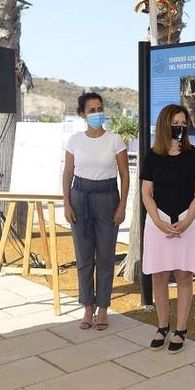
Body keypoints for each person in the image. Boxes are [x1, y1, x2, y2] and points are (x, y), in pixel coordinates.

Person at [140, 104, 195, 353]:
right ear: (164, 125)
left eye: (183, 123)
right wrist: (158, 221)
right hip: (158, 221)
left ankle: (181, 329)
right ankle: (162, 326)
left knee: (183, 275)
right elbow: (146, 192)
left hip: (186, 221)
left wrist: (188, 219)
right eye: (175, 123)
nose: (179, 127)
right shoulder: (152, 155)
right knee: (158, 275)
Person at [63, 92, 129, 332]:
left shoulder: (115, 140)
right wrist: (67, 203)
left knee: (105, 256)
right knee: (83, 256)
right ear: (82, 114)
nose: (96, 113)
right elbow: (68, 173)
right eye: (91, 110)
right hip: (79, 197)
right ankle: (87, 307)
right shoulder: (74, 141)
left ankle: (103, 308)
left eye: (99, 108)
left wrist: (122, 205)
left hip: (107, 197)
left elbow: (124, 174)